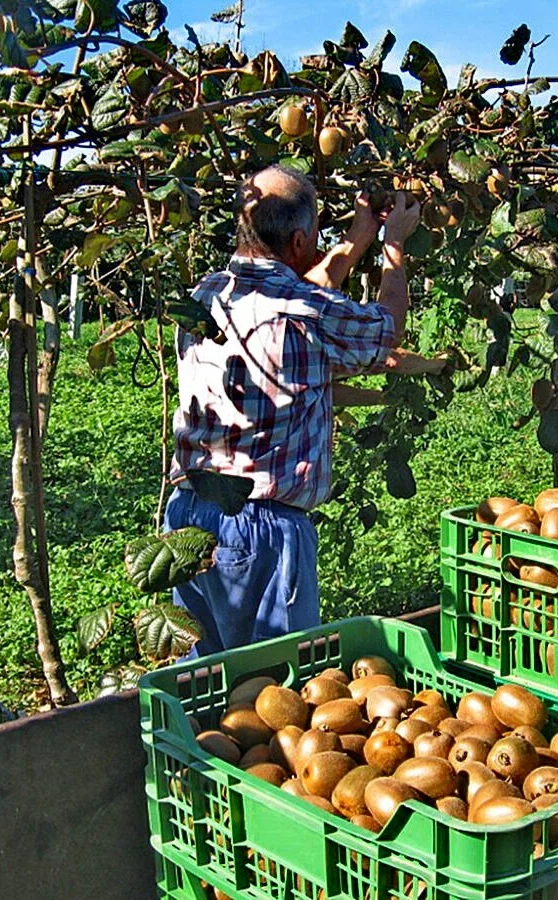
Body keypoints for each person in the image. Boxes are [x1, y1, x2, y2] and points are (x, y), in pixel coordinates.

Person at [165, 165, 421, 655]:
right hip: (260, 526)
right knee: (273, 689)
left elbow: (297, 289)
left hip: (188, 515)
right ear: (301, 238)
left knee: (204, 678)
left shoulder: (207, 295)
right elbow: (386, 328)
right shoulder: (306, 311)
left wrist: (359, 234)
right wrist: (393, 246)